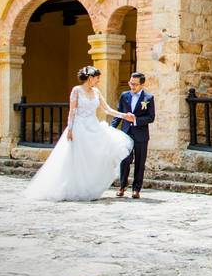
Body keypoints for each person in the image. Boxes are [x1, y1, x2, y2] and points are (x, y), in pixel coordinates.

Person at [23, 66, 135, 201]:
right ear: (90, 78)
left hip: (93, 127)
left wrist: (124, 115)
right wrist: (70, 129)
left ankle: (88, 187)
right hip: (79, 127)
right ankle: (70, 188)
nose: (98, 80)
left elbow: (107, 109)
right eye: (97, 78)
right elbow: (72, 111)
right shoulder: (76, 90)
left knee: (94, 157)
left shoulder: (96, 92)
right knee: (76, 159)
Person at [112, 72, 156, 199]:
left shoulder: (149, 98)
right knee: (125, 160)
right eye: (131, 83)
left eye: (135, 84)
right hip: (126, 133)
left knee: (140, 162)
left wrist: (135, 120)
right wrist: (112, 128)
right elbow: (119, 113)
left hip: (141, 135)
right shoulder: (124, 96)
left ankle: (136, 189)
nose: (132, 86)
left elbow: (151, 117)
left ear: (142, 84)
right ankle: (122, 186)